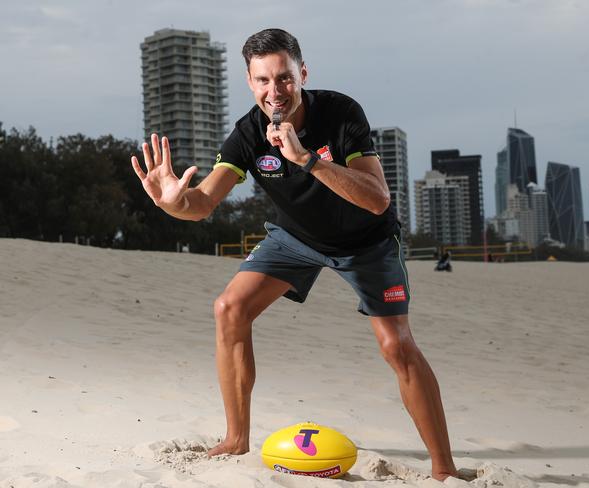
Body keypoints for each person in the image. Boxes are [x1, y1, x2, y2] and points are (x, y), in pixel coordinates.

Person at [131, 28, 460, 481]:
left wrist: (308, 160)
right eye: (263, 80)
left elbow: (378, 198)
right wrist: (173, 202)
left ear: (302, 74)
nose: (274, 91)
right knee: (229, 308)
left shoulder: (341, 113)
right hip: (296, 239)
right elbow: (203, 203)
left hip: (366, 242)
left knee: (396, 347)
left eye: (283, 78)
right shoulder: (247, 134)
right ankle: (235, 439)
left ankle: (444, 469)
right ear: (250, 82)